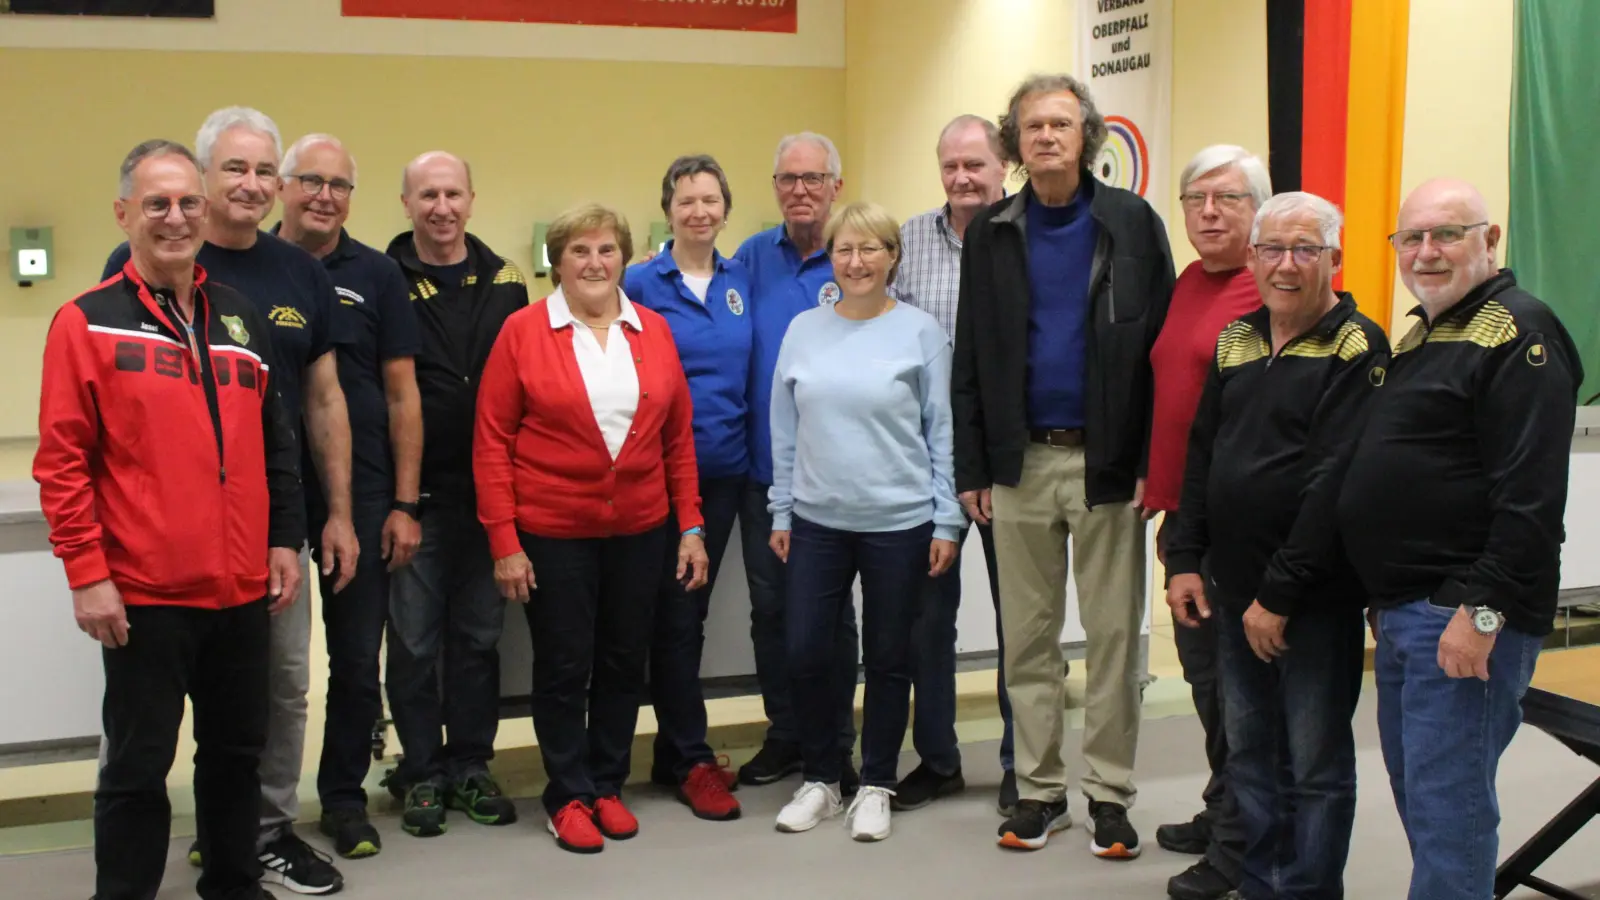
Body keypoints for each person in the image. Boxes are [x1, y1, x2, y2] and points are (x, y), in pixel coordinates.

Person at [1269, 178, 1582, 899]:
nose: (1427, 252)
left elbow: (1531, 500)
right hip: (1412, 612)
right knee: (1425, 797)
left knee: (1450, 814)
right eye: (1411, 238)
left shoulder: (1517, 331)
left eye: (1447, 234)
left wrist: (1481, 613)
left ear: (1491, 240)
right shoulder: (1431, 330)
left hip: (1463, 615)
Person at [41, 138, 303, 900]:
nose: (176, 217)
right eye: (156, 203)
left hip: (240, 591)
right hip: (144, 596)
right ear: (125, 213)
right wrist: (88, 576)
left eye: (189, 201)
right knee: (135, 766)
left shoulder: (242, 319)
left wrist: (282, 538)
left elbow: (275, 442)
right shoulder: (86, 323)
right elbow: (62, 464)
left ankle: (232, 882)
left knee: (234, 756)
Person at [101, 106, 354, 895]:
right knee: (148, 732)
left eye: (261, 171)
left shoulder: (292, 276)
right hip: (157, 558)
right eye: (232, 170)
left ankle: (261, 837)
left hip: (266, 546)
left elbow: (311, 408)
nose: (248, 185)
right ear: (204, 180)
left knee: (273, 697)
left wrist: (331, 513)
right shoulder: (129, 275)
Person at [952, 74, 1175, 857]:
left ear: (1088, 137)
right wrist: (972, 466)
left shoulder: (1133, 223)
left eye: (1060, 124)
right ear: (1014, 143)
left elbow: (1164, 354)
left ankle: (1109, 793)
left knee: (1116, 636)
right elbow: (970, 358)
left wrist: (1156, 459)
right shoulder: (991, 233)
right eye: (1032, 127)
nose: (1046, 137)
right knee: (1029, 639)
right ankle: (1040, 791)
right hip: (1019, 464)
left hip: (1109, 463)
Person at [1165, 192, 1389, 900]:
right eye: (1271, 250)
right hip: (1230, 592)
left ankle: (1310, 892)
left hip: (1311, 601)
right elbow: (1203, 458)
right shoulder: (1237, 338)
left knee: (1316, 766)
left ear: (1334, 259)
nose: (1285, 265)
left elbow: (1333, 484)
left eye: (1304, 250)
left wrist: (1279, 595)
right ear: (1253, 257)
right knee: (1252, 756)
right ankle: (1260, 885)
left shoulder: (1359, 346)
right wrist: (1184, 560)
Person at [474, 202, 710, 854]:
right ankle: (567, 794)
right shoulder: (524, 331)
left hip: (641, 529)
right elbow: (491, 442)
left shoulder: (652, 330)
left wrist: (690, 525)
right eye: (579, 251)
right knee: (563, 665)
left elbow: (677, 441)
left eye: (606, 250)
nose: (594, 262)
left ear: (625, 258)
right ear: (557, 261)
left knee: (621, 661)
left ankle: (608, 784)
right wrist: (504, 541)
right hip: (553, 531)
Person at [766, 201, 962, 842]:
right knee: (806, 650)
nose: (856, 261)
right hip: (817, 520)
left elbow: (942, 433)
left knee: (889, 656)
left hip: (899, 522)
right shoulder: (803, 330)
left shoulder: (920, 332)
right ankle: (824, 777)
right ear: (831, 256)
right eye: (844, 249)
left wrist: (945, 520)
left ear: (892, 258)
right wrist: (782, 509)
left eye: (870, 248)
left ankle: (876, 782)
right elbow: (784, 430)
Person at [273, 133, 424, 861]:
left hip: (360, 493)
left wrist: (403, 501)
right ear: (282, 187)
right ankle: (250, 809)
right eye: (311, 180)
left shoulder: (378, 273)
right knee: (264, 666)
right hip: (266, 492)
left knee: (359, 660)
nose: (325, 195)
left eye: (339, 184)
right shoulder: (245, 267)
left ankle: (342, 799)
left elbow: (402, 393)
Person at [382, 150, 528, 837]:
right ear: (406, 203)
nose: (441, 207)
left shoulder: (506, 280)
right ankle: (420, 772)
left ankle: (470, 766)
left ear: (472, 199)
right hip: (417, 500)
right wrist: (401, 503)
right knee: (412, 645)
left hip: (492, 501)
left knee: (477, 641)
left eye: (453, 194)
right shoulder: (385, 278)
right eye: (427, 195)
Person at [1146, 144, 1271, 900]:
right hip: (1182, 520)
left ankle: (1241, 842)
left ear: (1260, 207)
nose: (1210, 212)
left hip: (1238, 528)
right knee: (1205, 684)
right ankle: (1225, 804)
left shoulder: (1271, 286)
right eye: (1196, 199)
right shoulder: (1190, 281)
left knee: (1239, 693)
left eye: (1227, 198)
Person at [887, 113, 1014, 814]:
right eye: (951, 166)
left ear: (1004, 167)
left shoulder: (1029, 238)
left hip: (1007, 463)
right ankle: (937, 759)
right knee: (925, 620)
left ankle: (1022, 761)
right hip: (925, 459)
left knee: (1019, 619)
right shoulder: (906, 243)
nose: (963, 179)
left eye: (976, 165)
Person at [622, 155, 751, 822]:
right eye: (686, 200)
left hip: (726, 475)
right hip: (659, 479)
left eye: (710, 199)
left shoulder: (741, 280)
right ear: (667, 211)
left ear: (725, 208)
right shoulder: (639, 282)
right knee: (670, 619)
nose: (699, 210)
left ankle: (676, 753)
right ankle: (689, 755)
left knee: (687, 618)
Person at [734, 132, 861, 793]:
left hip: (836, 478)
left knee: (832, 617)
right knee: (772, 613)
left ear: (836, 185)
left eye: (814, 178)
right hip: (766, 476)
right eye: (789, 178)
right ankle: (785, 732)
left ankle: (836, 743)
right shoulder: (751, 258)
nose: (801, 190)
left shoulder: (857, 258)